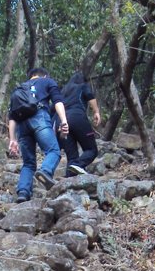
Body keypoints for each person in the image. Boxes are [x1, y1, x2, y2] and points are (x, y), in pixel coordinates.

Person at [7, 67, 70, 201]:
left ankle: (23, 192)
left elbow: (12, 117)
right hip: (39, 118)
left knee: (28, 163)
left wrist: (12, 139)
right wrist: (64, 121)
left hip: (21, 126)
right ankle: (45, 172)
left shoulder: (19, 90)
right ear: (44, 76)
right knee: (53, 151)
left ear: (31, 76)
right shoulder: (47, 82)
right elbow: (58, 102)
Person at [58, 70, 101, 176]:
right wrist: (96, 112)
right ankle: (78, 165)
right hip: (78, 118)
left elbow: (53, 108)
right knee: (91, 150)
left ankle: (69, 182)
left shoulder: (63, 91)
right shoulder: (82, 86)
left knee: (72, 157)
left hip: (62, 121)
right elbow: (90, 96)